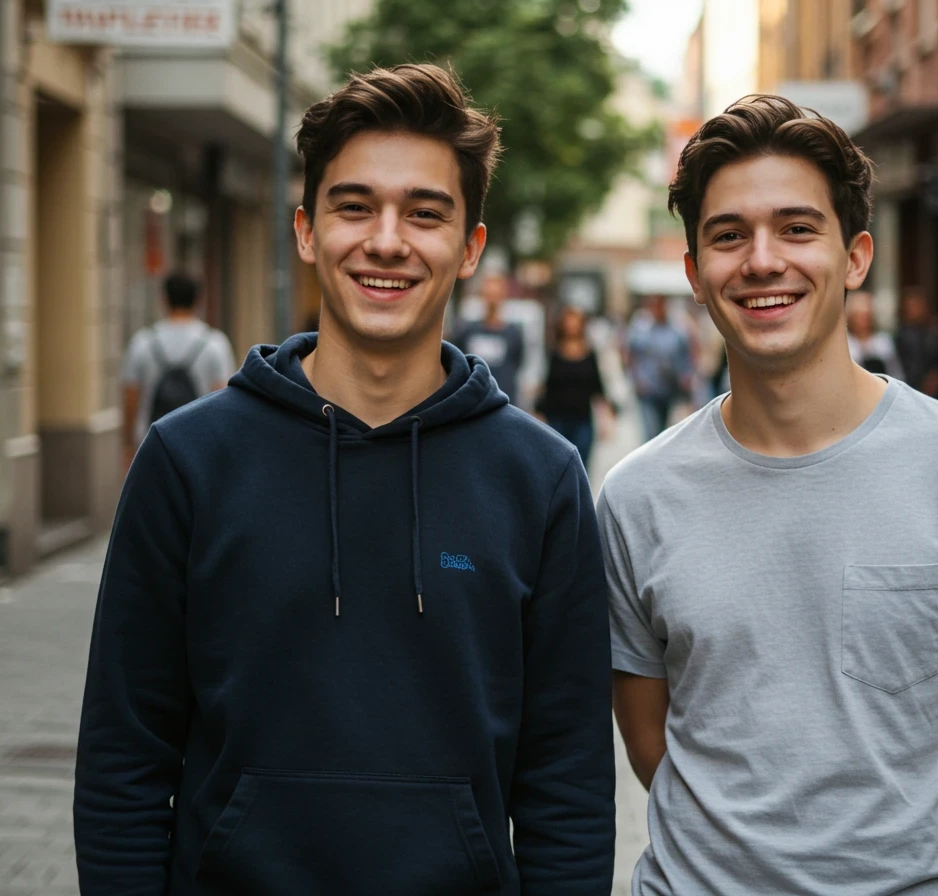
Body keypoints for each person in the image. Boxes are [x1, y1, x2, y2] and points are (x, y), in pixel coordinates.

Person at [75, 64, 615, 895]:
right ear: (305, 230)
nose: (387, 241)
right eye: (354, 206)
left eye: (425, 213)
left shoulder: (540, 480)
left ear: (470, 246)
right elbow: (124, 756)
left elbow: (567, 784)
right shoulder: (187, 462)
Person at [601, 95, 938, 895]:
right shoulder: (635, 497)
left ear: (855, 257)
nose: (761, 260)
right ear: (694, 273)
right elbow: (652, 744)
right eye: (728, 235)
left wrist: (917, 874)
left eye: (796, 228)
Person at [120, 272, 235, 466]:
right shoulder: (214, 343)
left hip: (150, 443)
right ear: (198, 299)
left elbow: (131, 398)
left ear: (163, 299)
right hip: (200, 444)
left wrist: (128, 445)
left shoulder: (143, 342)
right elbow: (222, 397)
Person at [535, 305, 615, 467]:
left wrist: (606, 417)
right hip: (557, 418)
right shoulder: (554, 353)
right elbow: (546, 386)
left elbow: (597, 386)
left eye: (576, 321)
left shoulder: (589, 353)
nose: (572, 325)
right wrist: (538, 413)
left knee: (581, 465)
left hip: (583, 419)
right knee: (559, 465)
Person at [625, 293, 692, 441]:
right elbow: (631, 355)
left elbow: (685, 354)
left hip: (668, 388)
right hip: (648, 388)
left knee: (663, 430)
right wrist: (636, 379)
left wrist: (686, 376)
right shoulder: (640, 328)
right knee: (651, 430)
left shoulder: (676, 329)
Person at [452, 271, 526, 404]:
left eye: (496, 295)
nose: (492, 300)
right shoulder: (468, 330)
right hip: (473, 400)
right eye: (489, 294)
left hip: (504, 401)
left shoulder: (513, 333)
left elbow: (518, 363)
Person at [896, 285, 938, 400]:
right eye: (909, 306)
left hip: (934, 390)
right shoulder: (902, 333)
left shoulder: (936, 331)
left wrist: (934, 380)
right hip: (908, 385)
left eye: (915, 306)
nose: (912, 310)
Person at [846, 289, 904, 379]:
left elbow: (895, 371)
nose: (863, 320)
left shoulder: (883, 341)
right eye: (859, 316)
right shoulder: (846, 343)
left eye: (866, 315)